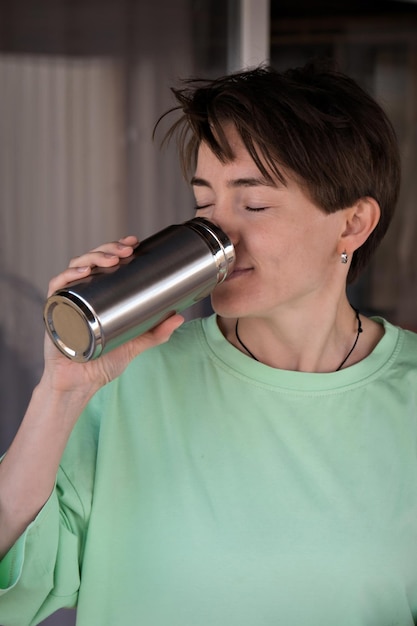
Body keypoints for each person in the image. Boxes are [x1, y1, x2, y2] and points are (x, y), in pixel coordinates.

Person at [1, 60, 416, 626]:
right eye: (204, 204)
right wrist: (62, 388)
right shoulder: (132, 379)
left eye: (254, 204)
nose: (217, 232)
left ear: (352, 224)